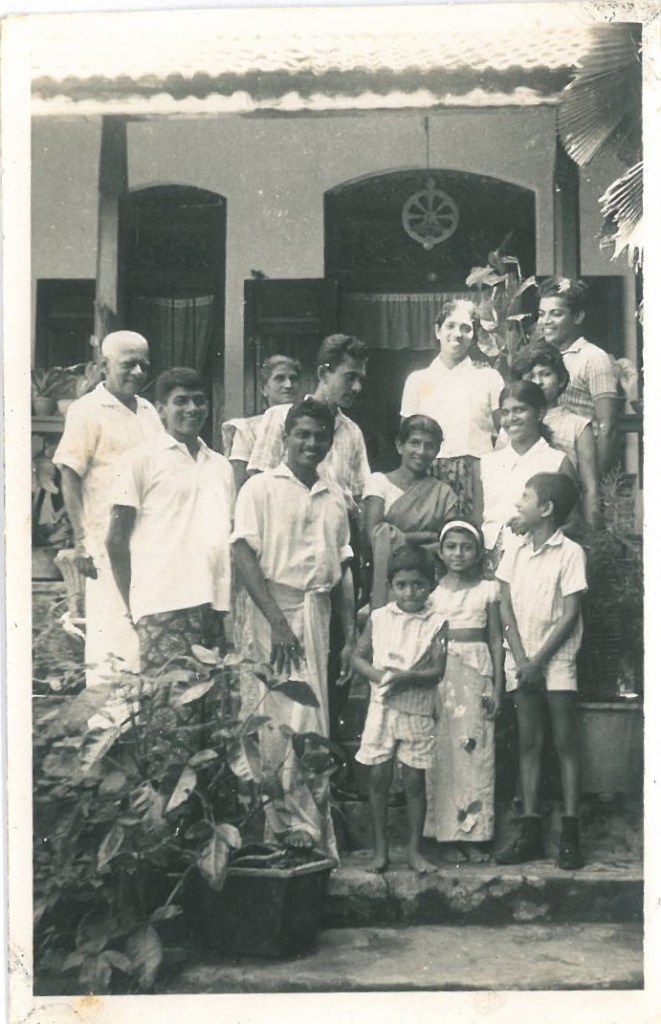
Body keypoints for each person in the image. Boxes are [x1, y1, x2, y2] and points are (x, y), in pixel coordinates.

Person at [231, 397, 356, 859]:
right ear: (285, 438)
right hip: (272, 613)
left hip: (317, 615)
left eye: (319, 436)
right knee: (276, 720)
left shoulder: (334, 495)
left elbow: (343, 567)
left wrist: (350, 637)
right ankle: (278, 834)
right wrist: (278, 624)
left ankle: (312, 839)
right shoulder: (259, 489)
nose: (310, 443)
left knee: (312, 721)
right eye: (302, 434)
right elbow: (243, 555)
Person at [247, 333, 370, 739]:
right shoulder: (278, 423)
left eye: (360, 381)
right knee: (275, 701)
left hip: (326, 579)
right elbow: (258, 496)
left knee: (324, 688)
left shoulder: (350, 434)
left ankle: (321, 782)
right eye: (348, 377)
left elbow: (353, 505)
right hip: (278, 585)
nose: (355, 387)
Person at [53, 330, 164, 686]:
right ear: (103, 366)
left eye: (143, 365)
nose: (137, 372)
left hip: (148, 543)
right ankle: (107, 729)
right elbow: (69, 476)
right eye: (127, 364)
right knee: (112, 638)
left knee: (142, 634)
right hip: (105, 544)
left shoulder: (148, 411)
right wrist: (81, 540)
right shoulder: (86, 411)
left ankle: (137, 729)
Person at [106, 368, 235, 672]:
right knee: (168, 708)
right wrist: (135, 606)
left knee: (210, 709)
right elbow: (115, 540)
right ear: (161, 409)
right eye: (181, 401)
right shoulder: (138, 460)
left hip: (212, 604)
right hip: (161, 604)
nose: (192, 409)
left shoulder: (220, 466)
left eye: (199, 401)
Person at [495, 472, 587, 869]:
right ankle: (530, 829)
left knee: (565, 743)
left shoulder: (570, 553)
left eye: (526, 496)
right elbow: (505, 605)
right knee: (529, 743)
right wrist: (520, 656)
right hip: (522, 660)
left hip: (556, 661)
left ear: (546, 509)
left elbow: (570, 614)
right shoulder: (514, 551)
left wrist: (538, 661)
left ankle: (570, 833)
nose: (519, 503)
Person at [353, 546, 448, 875]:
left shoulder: (437, 623)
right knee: (378, 776)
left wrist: (407, 678)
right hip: (382, 709)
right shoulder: (379, 618)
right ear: (392, 586)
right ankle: (380, 851)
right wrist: (382, 677)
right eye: (402, 585)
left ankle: (414, 850)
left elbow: (438, 671)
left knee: (414, 781)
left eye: (418, 585)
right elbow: (357, 658)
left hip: (417, 711)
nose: (410, 592)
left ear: (431, 586)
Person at [425, 519, 503, 862]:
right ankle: (443, 835)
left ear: (477, 553)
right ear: (441, 552)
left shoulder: (488, 590)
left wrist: (498, 686)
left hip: (476, 678)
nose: (458, 554)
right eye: (452, 547)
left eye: (466, 547)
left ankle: (472, 834)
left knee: (475, 752)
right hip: (441, 680)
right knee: (442, 755)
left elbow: (497, 640)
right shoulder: (431, 592)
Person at [400, 299, 503, 517]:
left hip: (478, 475)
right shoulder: (418, 380)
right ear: (438, 331)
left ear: (473, 336)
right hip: (428, 473)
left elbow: (504, 432)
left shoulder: (488, 378)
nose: (457, 333)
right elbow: (407, 439)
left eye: (466, 328)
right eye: (450, 325)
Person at [363, 415, 458, 608]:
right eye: (414, 443)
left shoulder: (443, 493)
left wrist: (400, 538)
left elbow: (450, 541)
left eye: (429, 446)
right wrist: (427, 536)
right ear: (400, 445)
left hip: (430, 584)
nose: (421, 452)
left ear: (437, 451)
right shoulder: (379, 482)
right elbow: (375, 536)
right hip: (390, 582)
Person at [479, 381, 576, 566]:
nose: (511, 418)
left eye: (519, 410)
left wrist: (535, 526)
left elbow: (574, 525)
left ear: (539, 414)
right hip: (490, 562)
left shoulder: (557, 462)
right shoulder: (487, 463)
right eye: (505, 412)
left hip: (539, 561)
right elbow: (479, 518)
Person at [536, 277, 619, 473]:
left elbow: (608, 428)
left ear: (577, 316)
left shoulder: (594, 358)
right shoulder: (539, 358)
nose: (546, 321)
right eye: (541, 314)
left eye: (555, 314)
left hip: (580, 462)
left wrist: (592, 480)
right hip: (543, 465)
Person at [511, 342, 598, 526]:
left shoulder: (578, 426)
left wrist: (593, 533)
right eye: (530, 376)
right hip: (520, 516)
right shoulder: (513, 425)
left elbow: (590, 487)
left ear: (560, 380)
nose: (538, 382)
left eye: (545, 374)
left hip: (563, 519)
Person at [221, 355, 301, 490]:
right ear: (264, 388)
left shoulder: (308, 424)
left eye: (293, 379)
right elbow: (238, 481)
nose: (288, 385)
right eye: (280, 378)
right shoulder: (247, 428)